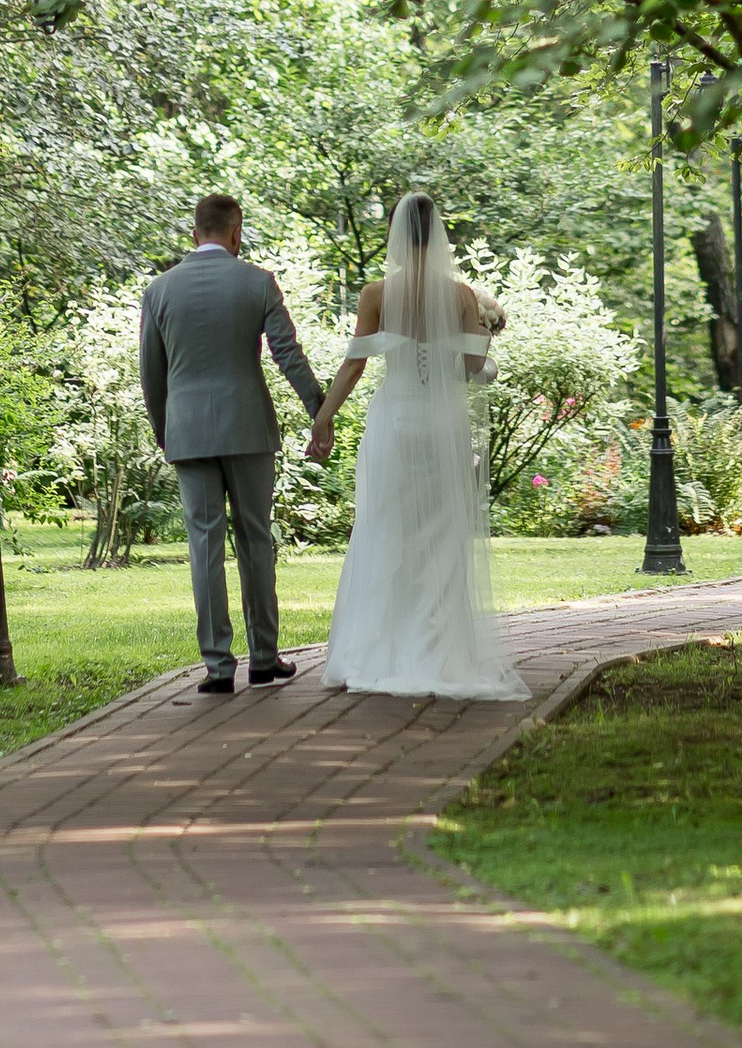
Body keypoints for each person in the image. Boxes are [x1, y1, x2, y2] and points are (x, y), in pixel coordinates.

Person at [306, 191, 528, 701]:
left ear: (398, 235)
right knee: (444, 539)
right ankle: (438, 652)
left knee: (387, 529)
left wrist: (323, 419)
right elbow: (478, 373)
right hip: (444, 424)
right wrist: (489, 338)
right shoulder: (462, 296)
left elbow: (355, 365)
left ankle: (377, 651)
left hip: (397, 421)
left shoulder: (376, 294)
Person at [139, 191, 327, 694]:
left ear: (194, 233)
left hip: (188, 432)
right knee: (255, 539)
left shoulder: (159, 291)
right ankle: (264, 658)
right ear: (235, 230)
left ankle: (217, 668)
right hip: (248, 429)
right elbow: (288, 353)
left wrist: (165, 430)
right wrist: (318, 410)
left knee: (204, 545)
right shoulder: (257, 282)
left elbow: (150, 375)